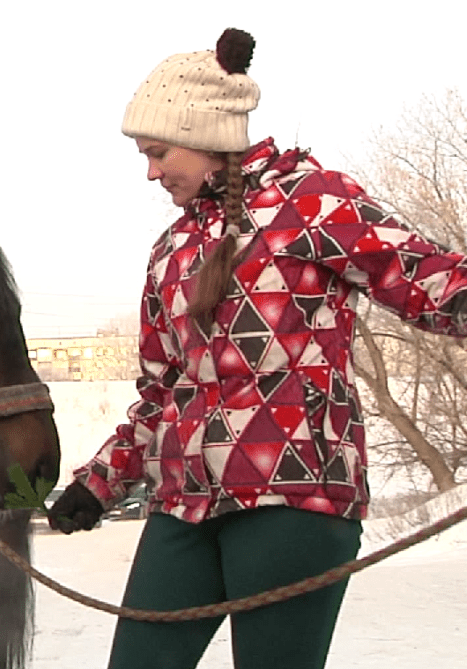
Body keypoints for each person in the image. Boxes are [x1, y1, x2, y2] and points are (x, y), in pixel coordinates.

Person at [47, 27, 467, 669]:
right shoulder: (170, 252)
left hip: (292, 495)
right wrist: (99, 484)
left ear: (207, 136)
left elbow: (429, 282)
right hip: (184, 504)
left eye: (159, 152)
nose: (152, 172)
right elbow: (164, 393)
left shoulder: (311, 200)